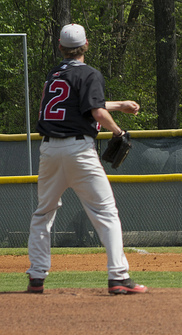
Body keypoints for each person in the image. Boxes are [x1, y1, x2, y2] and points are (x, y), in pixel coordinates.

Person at [26, 24, 147, 294]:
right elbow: (97, 112)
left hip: (49, 151)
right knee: (105, 213)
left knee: (43, 213)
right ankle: (118, 277)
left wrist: (119, 105)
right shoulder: (89, 73)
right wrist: (119, 131)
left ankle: (36, 275)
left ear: (60, 46)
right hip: (79, 151)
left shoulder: (53, 75)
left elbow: (77, 105)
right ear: (87, 45)